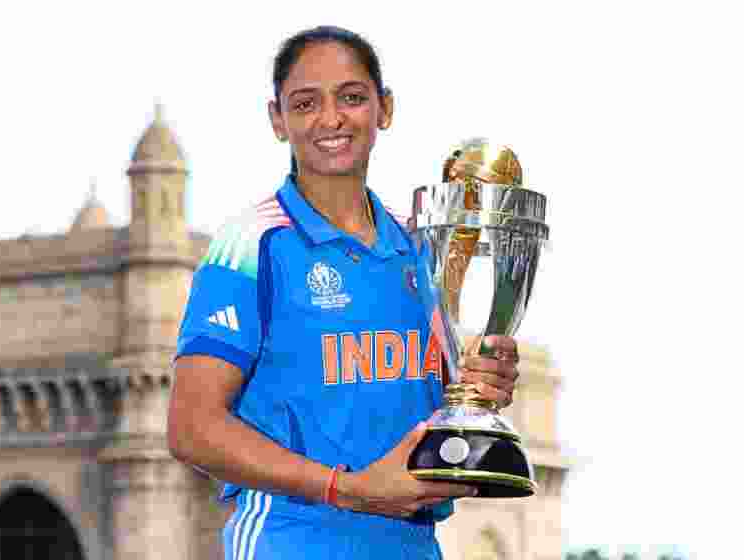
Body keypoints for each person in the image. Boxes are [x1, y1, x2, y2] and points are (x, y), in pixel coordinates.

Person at [168, 25, 521, 560]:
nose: (330, 119)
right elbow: (191, 428)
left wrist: (479, 386)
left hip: (412, 544)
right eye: (306, 103)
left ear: (385, 109)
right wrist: (349, 489)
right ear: (277, 120)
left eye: (352, 97)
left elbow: (426, 399)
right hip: (291, 541)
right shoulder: (251, 245)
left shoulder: (422, 244)